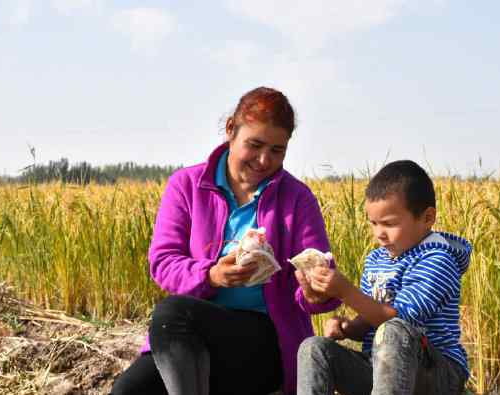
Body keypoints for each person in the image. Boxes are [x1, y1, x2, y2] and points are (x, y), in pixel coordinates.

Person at [111, 86, 340, 395]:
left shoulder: (298, 198)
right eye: (255, 145)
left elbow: (320, 276)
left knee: (173, 312)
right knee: (129, 390)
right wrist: (212, 275)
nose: (263, 160)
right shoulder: (186, 186)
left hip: (266, 341)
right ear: (231, 129)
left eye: (277, 150)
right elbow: (163, 262)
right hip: (189, 336)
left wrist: (315, 292)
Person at [296, 160, 471, 395]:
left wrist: (345, 291)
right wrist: (347, 328)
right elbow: (370, 320)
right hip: (382, 369)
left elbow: (400, 322)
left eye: (389, 224)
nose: (379, 234)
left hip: (437, 375)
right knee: (313, 348)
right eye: (374, 223)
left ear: (427, 218)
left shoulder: (438, 260)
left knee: (394, 331)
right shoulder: (376, 260)